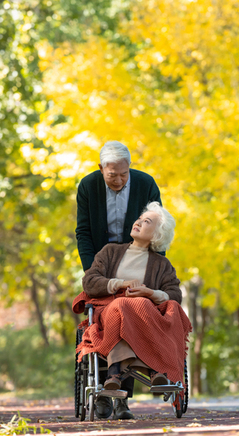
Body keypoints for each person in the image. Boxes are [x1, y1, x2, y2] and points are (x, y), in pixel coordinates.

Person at [75, 202, 190, 420]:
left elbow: (175, 294)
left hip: (144, 318)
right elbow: (90, 281)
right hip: (110, 311)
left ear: (157, 234)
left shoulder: (161, 265)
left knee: (139, 304)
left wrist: (150, 293)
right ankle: (153, 370)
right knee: (122, 305)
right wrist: (119, 284)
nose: (138, 222)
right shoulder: (110, 252)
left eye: (147, 221)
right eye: (140, 218)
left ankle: (115, 374)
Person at [76, 141, 162, 272]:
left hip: (139, 261)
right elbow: (83, 232)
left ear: (129, 166)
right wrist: (90, 270)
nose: (118, 180)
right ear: (101, 168)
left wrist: (157, 269)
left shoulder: (146, 184)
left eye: (124, 174)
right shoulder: (88, 186)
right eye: (112, 175)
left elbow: (158, 229)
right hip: (101, 261)